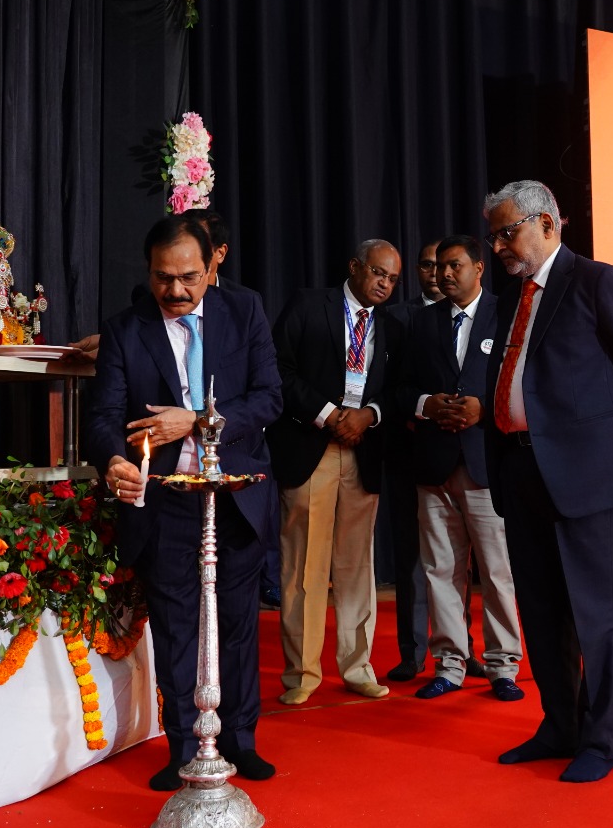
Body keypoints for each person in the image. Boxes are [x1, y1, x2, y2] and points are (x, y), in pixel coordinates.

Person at [87, 214, 282, 791]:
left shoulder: (243, 312)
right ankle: (181, 747)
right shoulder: (126, 329)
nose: (175, 290)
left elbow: (269, 399)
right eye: (162, 277)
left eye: (189, 277)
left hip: (236, 497)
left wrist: (194, 422)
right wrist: (114, 462)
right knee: (176, 629)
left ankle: (241, 741)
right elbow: (102, 418)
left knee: (239, 627)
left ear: (214, 263)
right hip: (166, 501)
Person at [482, 180, 613, 783]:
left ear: (549, 223)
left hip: (585, 476)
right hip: (521, 469)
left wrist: (598, 438)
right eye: (495, 235)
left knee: (597, 614)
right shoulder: (510, 295)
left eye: (509, 232)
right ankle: (559, 723)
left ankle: (602, 739)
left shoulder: (597, 281)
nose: (501, 245)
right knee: (540, 611)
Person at [267, 240, 404, 704]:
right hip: (312, 444)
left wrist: (369, 415)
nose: (385, 283)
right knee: (304, 565)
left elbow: (401, 387)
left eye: (392, 278)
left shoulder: (393, 324)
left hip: (363, 449)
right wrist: (328, 414)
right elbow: (278, 370)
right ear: (354, 267)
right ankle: (302, 675)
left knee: (355, 565)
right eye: (378, 273)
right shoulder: (309, 305)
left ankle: (357, 666)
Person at [394, 235, 524, 701]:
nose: (445, 275)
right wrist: (427, 404)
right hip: (433, 464)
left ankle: (502, 665)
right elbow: (400, 387)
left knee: (496, 571)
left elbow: (522, 381)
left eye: (455, 266)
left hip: (487, 462)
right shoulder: (421, 322)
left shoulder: (505, 313)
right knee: (440, 569)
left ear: (479, 268)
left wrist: (482, 409)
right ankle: (450, 662)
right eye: (439, 267)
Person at [182, 206, 284, 611]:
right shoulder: (154, 301)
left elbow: (267, 392)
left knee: (237, 606)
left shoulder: (245, 304)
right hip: (177, 470)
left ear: (218, 253)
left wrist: (206, 423)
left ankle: (268, 578)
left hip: (238, 451)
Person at [380, 239, 442, 683]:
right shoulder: (395, 317)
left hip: (457, 456)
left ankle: (461, 651)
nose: (436, 273)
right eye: (426, 265)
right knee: (411, 560)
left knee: (458, 561)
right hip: (406, 453)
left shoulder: (481, 315)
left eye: (445, 264)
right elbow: (386, 384)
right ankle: (412, 652)